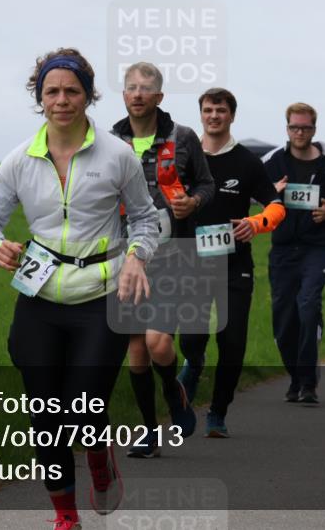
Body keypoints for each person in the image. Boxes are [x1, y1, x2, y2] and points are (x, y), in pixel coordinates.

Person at [0, 48, 160, 529]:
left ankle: (99, 456)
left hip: (102, 297)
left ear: (88, 95)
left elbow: (144, 219)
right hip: (39, 297)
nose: (62, 100)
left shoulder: (117, 156)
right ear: (39, 97)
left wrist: (137, 257)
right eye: (51, 91)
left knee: (82, 406)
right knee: (44, 412)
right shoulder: (20, 159)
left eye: (71, 91)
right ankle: (65, 516)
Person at [111, 62, 215, 456]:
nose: (137, 94)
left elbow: (207, 184)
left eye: (145, 88)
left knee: (157, 343)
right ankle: (150, 431)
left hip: (174, 256)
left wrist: (194, 201)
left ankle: (175, 396)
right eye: (130, 88)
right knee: (135, 351)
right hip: (126, 257)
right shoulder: (109, 143)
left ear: (159, 96)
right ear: (124, 95)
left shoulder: (182, 138)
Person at [176, 88, 285, 437]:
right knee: (191, 340)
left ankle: (218, 412)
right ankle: (193, 365)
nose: (214, 116)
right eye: (208, 110)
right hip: (191, 261)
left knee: (232, 341)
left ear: (231, 115)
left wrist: (255, 223)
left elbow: (275, 205)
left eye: (220, 110)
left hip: (234, 264)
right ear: (201, 115)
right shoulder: (185, 159)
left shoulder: (247, 162)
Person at [264, 102, 325, 404]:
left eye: (305, 127)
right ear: (286, 128)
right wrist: (271, 193)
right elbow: (254, 194)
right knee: (284, 317)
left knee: (308, 304)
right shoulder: (274, 161)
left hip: (317, 247)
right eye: (294, 127)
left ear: (314, 129)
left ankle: (308, 383)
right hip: (283, 248)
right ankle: (295, 376)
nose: (299, 132)